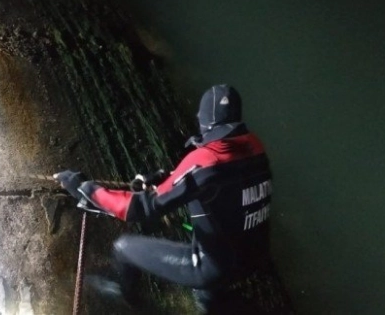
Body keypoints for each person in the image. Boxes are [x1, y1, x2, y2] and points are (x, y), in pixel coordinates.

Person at [54, 84, 273, 313]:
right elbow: (217, 179)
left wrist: (84, 189)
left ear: (204, 120)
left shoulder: (205, 159)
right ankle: (211, 299)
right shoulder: (256, 150)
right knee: (213, 276)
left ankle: (119, 290)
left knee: (124, 247)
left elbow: (138, 209)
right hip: (253, 259)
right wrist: (166, 178)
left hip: (211, 267)